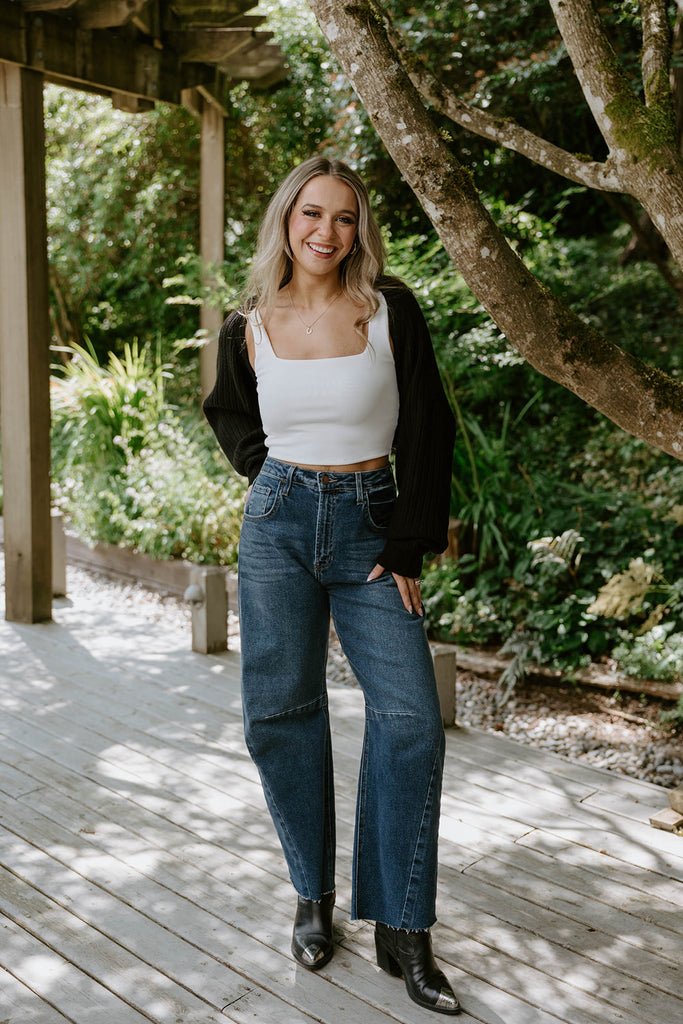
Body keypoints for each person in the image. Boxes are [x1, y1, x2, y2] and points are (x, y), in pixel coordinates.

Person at [203, 156, 459, 1015]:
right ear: (285, 220)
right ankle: (311, 897)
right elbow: (229, 413)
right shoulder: (246, 322)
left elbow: (430, 421)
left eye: (343, 218)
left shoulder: (391, 311)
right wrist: (264, 479)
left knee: (411, 721)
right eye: (310, 214)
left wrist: (410, 542)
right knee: (279, 712)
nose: (325, 232)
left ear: (360, 230)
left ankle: (402, 926)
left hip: (373, 528)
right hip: (278, 522)